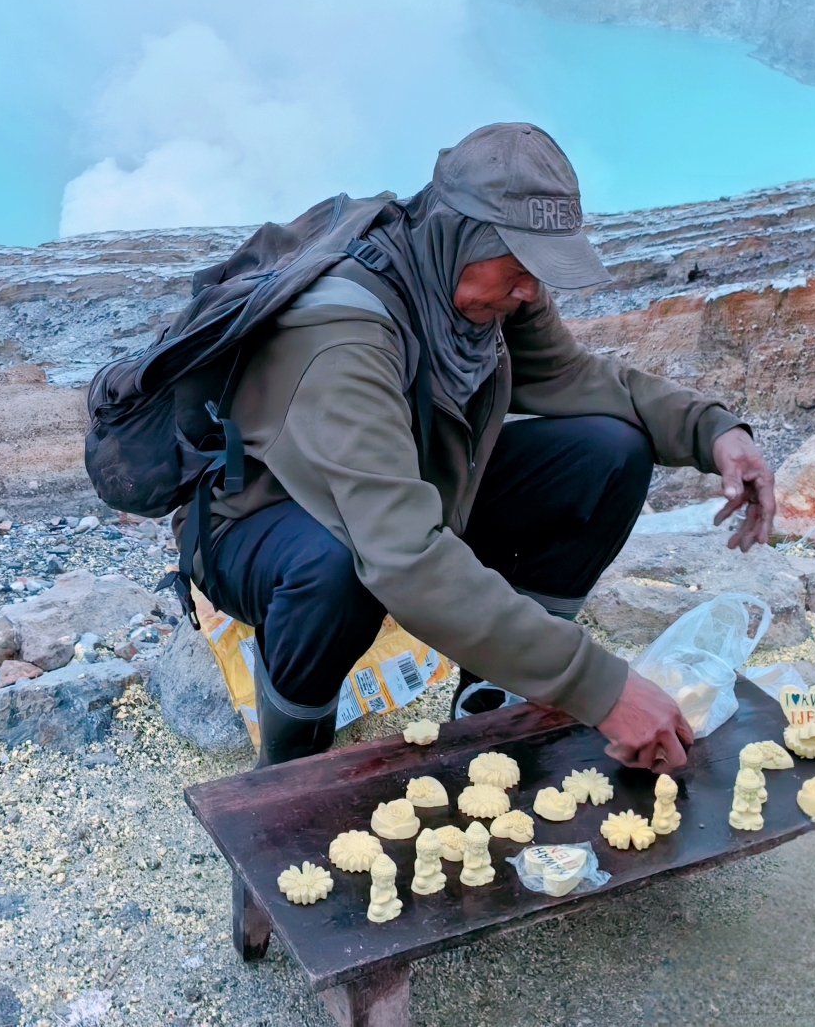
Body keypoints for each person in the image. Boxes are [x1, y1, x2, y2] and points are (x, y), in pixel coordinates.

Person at [181, 123, 776, 772]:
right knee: (339, 562)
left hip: (406, 488)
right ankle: (290, 768)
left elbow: (576, 380)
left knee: (607, 451)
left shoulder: (484, 284)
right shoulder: (342, 330)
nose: (529, 290)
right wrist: (601, 685)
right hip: (257, 520)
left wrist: (713, 430)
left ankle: (493, 706)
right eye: (520, 267)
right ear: (465, 233)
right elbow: (402, 556)